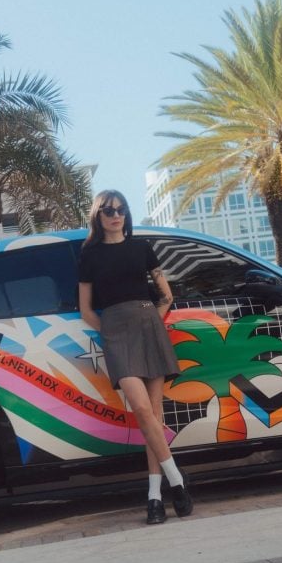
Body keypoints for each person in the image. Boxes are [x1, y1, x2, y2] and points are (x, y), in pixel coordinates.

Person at [78, 189, 193, 525]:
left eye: (121, 209)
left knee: (153, 418)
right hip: (116, 332)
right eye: (108, 210)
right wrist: (110, 330)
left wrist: (154, 316)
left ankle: (154, 498)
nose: (116, 215)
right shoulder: (89, 255)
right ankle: (178, 481)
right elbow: (86, 309)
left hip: (148, 326)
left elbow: (166, 294)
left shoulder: (141, 248)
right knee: (142, 410)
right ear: (98, 216)